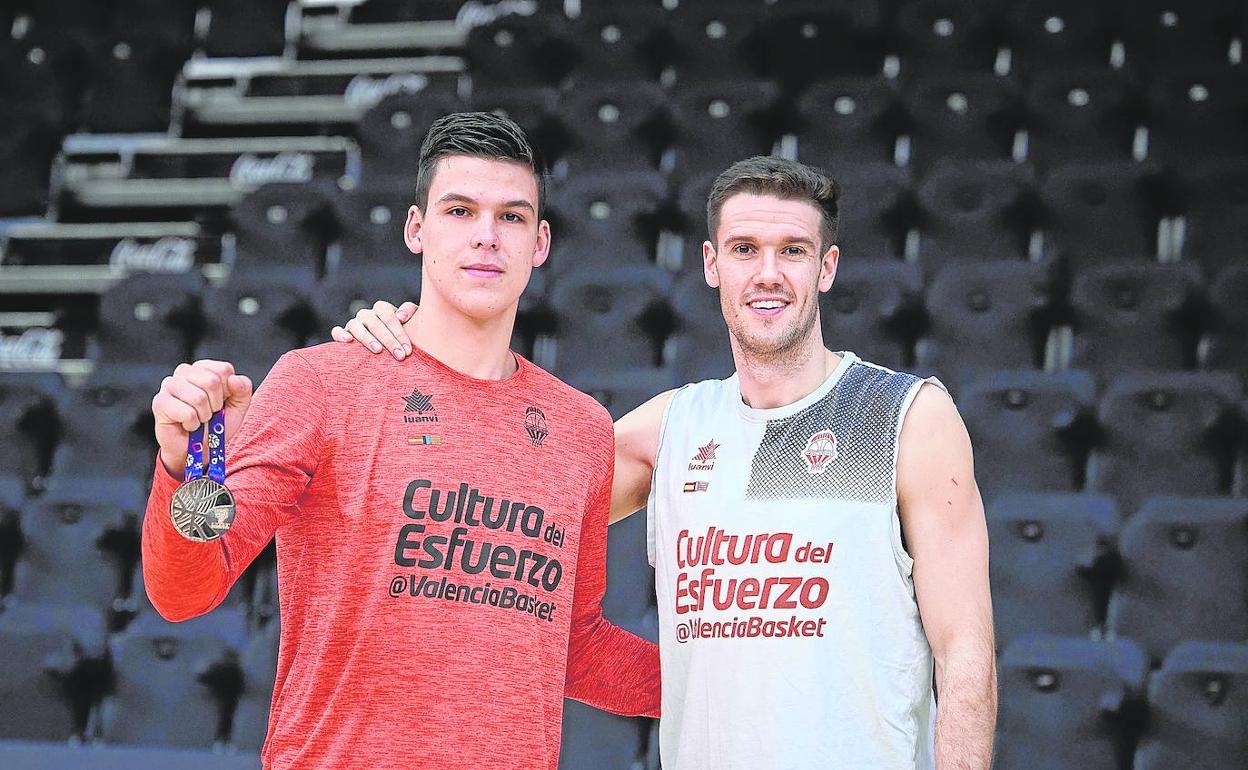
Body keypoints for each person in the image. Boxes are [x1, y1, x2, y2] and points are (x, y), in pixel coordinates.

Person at [336, 156, 997, 769]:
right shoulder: (671, 428)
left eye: (792, 251)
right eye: (745, 250)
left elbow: (964, 656)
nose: (767, 273)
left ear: (825, 268)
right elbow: (488, 514)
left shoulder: (906, 416)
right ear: (712, 264)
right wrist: (416, 351)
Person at [144, 112, 660, 770]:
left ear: (540, 242)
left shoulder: (581, 427)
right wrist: (188, 473)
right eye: (459, 210)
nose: (486, 237)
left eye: (511, 217)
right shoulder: (320, 384)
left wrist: (728, 687)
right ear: (417, 229)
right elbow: (185, 592)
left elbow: (574, 645)